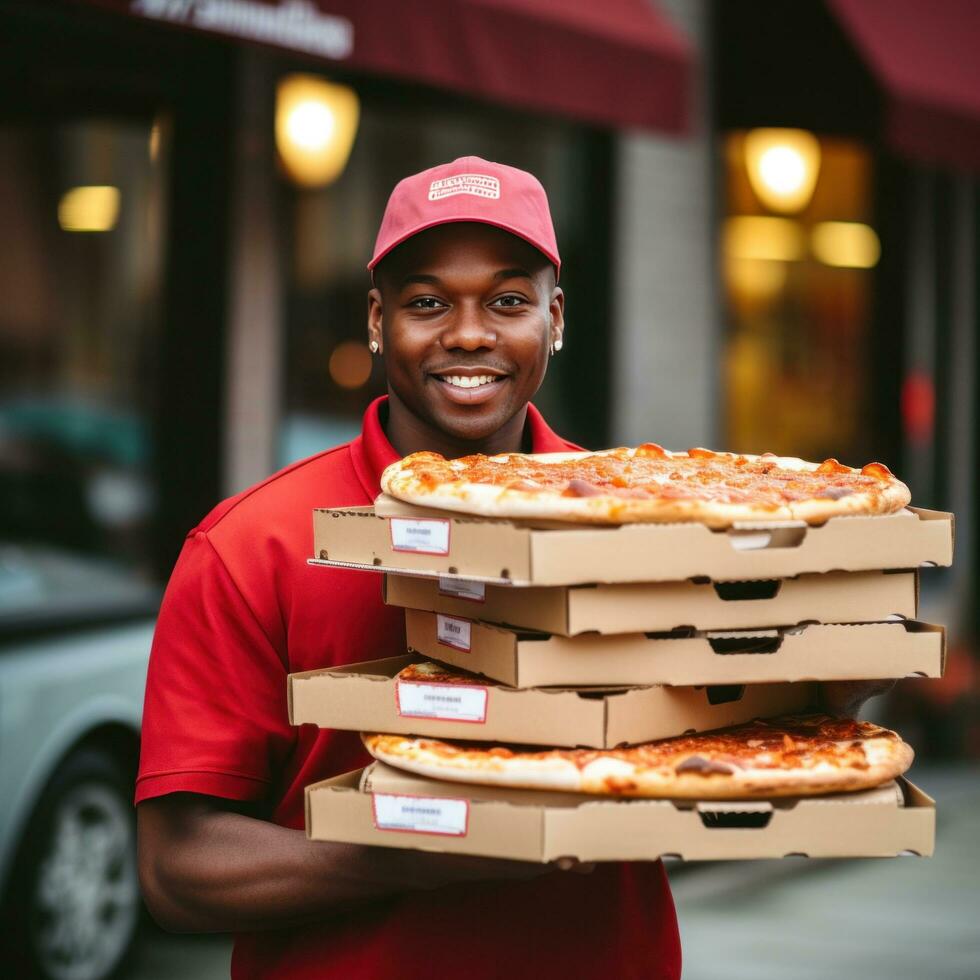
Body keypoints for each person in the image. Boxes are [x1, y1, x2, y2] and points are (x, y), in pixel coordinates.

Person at [136, 157, 889, 980]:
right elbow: (178, 869)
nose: (468, 333)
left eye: (507, 301)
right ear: (378, 320)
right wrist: (409, 858)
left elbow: (733, 728)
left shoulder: (675, 521)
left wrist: (828, 683)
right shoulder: (253, 545)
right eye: (427, 303)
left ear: (555, 318)